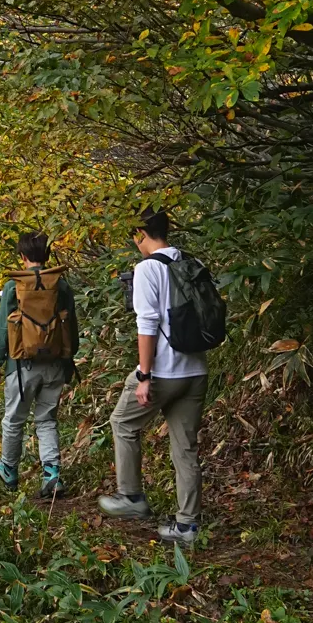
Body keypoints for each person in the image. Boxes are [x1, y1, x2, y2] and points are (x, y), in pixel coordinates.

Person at [99, 208, 207, 542]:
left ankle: (131, 497)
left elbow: (146, 325)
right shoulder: (190, 263)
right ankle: (187, 525)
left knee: (123, 423)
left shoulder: (148, 268)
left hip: (163, 371)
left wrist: (144, 375)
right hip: (196, 370)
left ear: (139, 234)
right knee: (185, 448)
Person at [0, 229, 79, 501]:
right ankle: (52, 475)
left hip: (21, 365)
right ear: (47, 255)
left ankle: (9, 470)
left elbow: (3, 327)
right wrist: (68, 358)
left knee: (14, 419)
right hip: (54, 365)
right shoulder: (61, 285)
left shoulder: (13, 286)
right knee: (46, 420)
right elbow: (70, 326)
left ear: (22, 256)